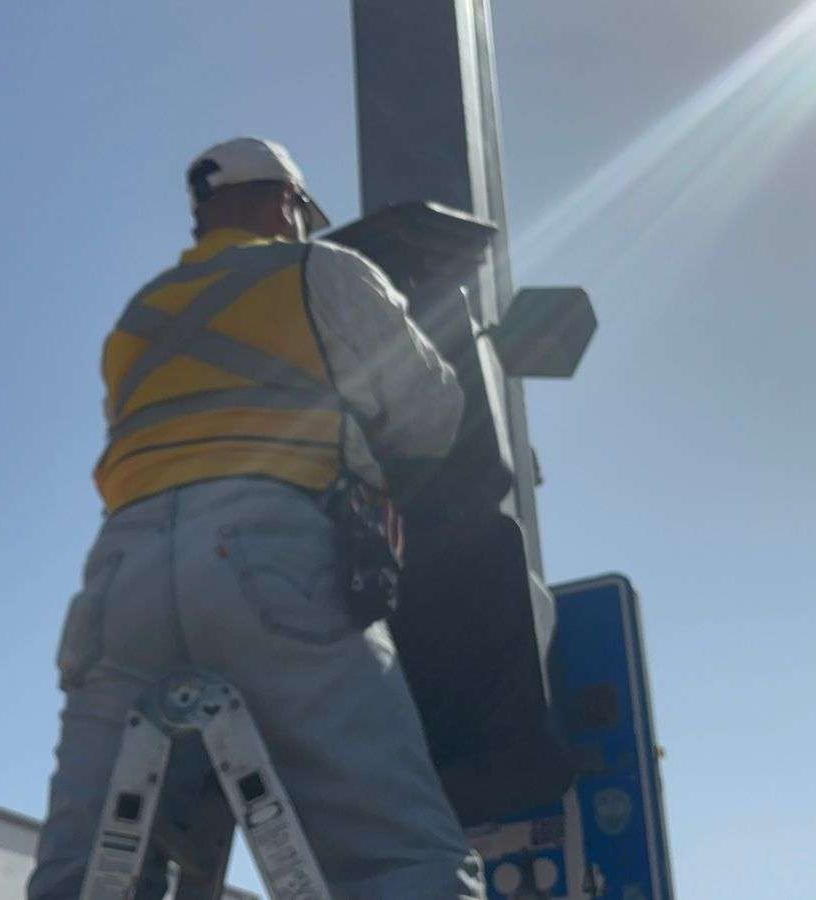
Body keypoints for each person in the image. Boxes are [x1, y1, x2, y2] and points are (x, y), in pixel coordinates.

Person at [27, 137, 485, 900]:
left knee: (87, 872)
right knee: (394, 857)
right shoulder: (319, 268)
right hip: (272, 552)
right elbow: (427, 415)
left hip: (120, 583)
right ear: (285, 201)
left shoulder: (137, 317)